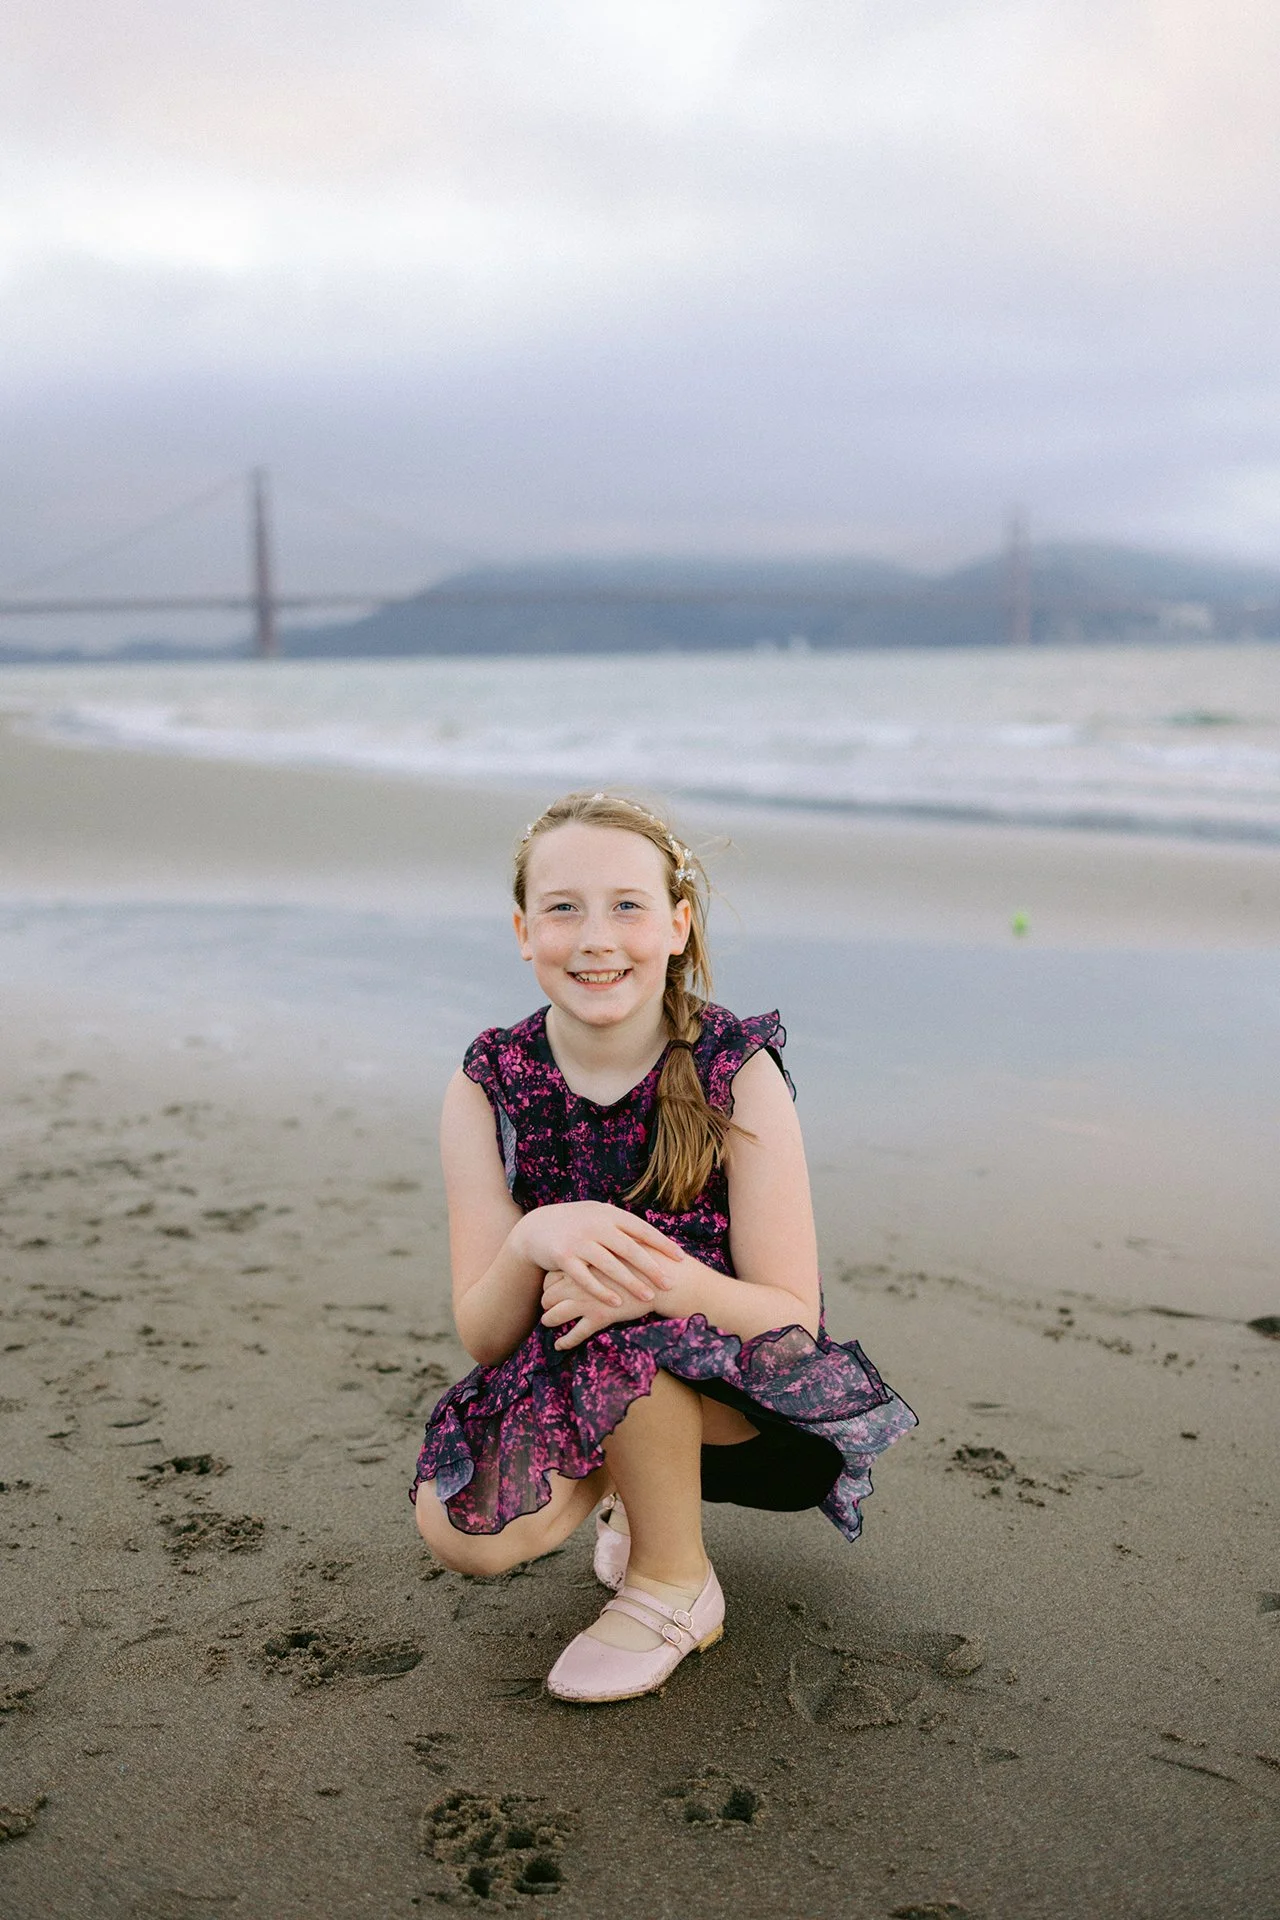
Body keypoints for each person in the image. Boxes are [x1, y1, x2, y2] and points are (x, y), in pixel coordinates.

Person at [411, 790, 915, 1703]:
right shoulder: (487, 1085)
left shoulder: (735, 1070)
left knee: (618, 1324)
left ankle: (675, 1585)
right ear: (524, 931)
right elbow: (485, 1336)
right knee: (467, 1535)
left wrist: (657, 1283)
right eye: (564, 908)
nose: (597, 937)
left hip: (751, 1406)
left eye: (629, 906)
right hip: (568, 1368)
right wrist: (533, 1237)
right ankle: (633, 1497)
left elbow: (788, 1314)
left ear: (678, 925)